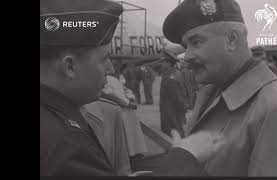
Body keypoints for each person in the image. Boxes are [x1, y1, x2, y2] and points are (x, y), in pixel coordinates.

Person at [40, 0, 225, 176]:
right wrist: (185, 155)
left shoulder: (55, 119)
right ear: (70, 66)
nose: (110, 68)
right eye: (104, 58)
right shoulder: (64, 142)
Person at [163, 0, 277, 176]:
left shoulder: (273, 106)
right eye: (186, 46)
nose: (186, 56)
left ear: (232, 39)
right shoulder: (210, 90)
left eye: (196, 42)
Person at [159, 51, 188, 138]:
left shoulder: (170, 78)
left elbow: (177, 98)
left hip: (171, 112)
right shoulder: (174, 73)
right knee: (176, 131)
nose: (162, 64)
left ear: (169, 63)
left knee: (174, 133)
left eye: (164, 62)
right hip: (171, 111)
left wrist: (182, 110)